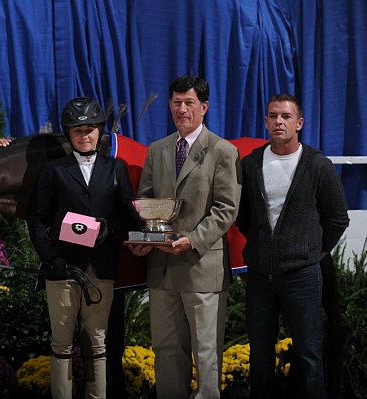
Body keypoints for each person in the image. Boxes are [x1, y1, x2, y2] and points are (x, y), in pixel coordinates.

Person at [128, 76, 241, 398]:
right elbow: (146, 203)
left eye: (189, 103)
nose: (182, 109)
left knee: (206, 353)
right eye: (177, 102)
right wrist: (144, 239)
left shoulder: (222, 150)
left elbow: (226, 208)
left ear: (204, 107)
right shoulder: (157, 150)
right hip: (162, 269)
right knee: (165, 350)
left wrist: (192, 239)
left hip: (201, 266)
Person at [236, 93, 349, 398]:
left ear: (299, 123)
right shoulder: (250, 164)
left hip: (302, 274)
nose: (279, 122)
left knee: (309, 356)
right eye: (273, 116)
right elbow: (242, 217)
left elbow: (338, 218)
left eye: (285, 116)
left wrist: (315, 252)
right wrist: (263, 248)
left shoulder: (317, 164)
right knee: (260, 356)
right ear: (265, 122)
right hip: (260, 275)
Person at [27, 97, 136, 399]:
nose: (84, 136)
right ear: (68, 134)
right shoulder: (54, 171)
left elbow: (126, 214)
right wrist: (50, 258)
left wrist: (109, 230)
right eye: (77, 131)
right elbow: (38, 221)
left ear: (100, 131)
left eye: (89, 129)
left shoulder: (116, 168)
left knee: (97, 343)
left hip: (100, 267)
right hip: (63, 268)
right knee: (61, 344)